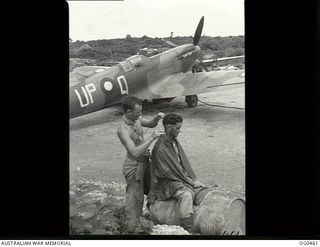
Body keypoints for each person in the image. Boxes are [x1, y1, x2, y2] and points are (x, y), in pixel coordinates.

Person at [148, 113, 213, 233]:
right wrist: (189, 181)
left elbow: (182, 163)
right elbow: (165, 173)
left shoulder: (174, 141)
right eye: (177, 128)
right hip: (166, 183)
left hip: (179, 177)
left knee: (204, 189)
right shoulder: (160, 148)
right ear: (168, 128)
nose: (179, 131)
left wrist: (193, 179)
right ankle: (187, 229)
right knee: (186, 195)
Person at [117, 95, 165, 234]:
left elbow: (150, 124)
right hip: (134, 167)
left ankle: (151, 221)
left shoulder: (136, 119)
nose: (140, 114)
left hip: (145, 164)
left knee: (154, 191)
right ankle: (131, 230)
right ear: (128, 112)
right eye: (138, 112)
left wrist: (156, 118)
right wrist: (151, 138)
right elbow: (134, 152)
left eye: (141, 111)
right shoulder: (123, 129)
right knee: (135, 202)